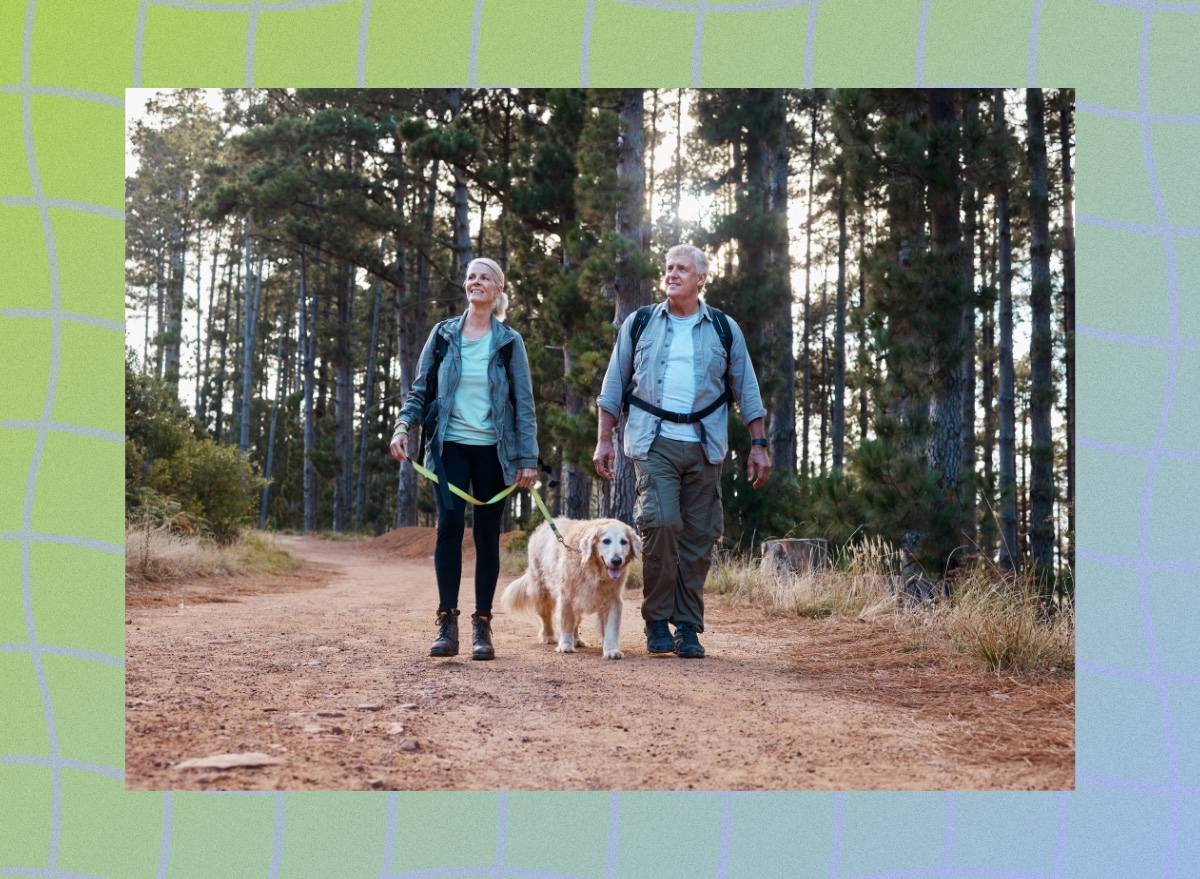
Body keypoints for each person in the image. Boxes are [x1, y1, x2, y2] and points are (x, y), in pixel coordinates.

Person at [593, 244, 770, 659]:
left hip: (707, 445)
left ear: (701, 278)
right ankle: (656, 620)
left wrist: (758, 444)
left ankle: (687, 627)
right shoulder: (640, 324)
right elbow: (613, 386)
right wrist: (604, 439)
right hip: (653, 442)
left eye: (682, 269)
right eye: (668, 267)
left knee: (698, 538)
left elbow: (747, 389)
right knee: (661, 525)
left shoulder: (724, 328)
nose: (672, 274)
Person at [391, 258, 539, 660]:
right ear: (465, 286)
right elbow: (420, 391)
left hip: (495, 449)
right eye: (471, 276)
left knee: (488, 534)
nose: (476, 282)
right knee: (451, 524)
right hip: (449, 445)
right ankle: (446, 621)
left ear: (498, 290)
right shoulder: (442, 336)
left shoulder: (510, 342)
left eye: (485, 277)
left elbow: (523, 403)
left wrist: (528, 458)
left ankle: (482, 626)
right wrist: (404, 426)